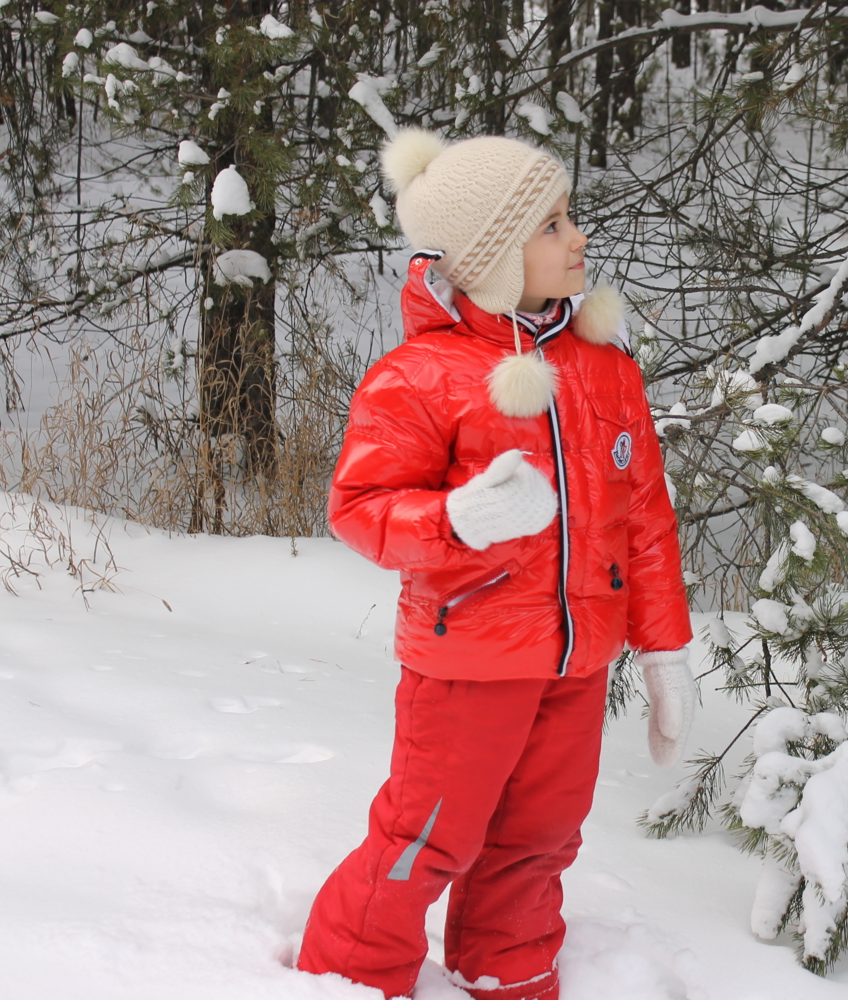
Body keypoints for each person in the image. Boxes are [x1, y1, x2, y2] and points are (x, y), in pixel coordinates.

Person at [296, 128, 695, 1000]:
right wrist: (456, 519)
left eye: (569, 216)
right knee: (425, 838)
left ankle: (508, 978)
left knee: (540, 841)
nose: (578, 236)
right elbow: (358, 511)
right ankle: (351, 979)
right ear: (494, 256)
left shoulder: (605, 370)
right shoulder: (423, 374)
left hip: (576, 664)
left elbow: (646, 521)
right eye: (552, 225)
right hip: (467, 664)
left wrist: (665, 655)